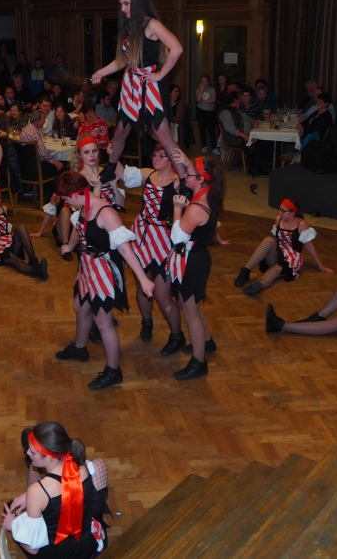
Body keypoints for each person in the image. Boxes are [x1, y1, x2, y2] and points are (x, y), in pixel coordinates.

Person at [53, 171, 154, 390]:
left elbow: (125, 249)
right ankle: (80, 349)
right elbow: (80, 228)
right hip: (88, 267)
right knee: (80, 306)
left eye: (67, 197)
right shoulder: (83, 206)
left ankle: (113, 371)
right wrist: (70, 246)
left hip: (105, 270)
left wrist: (143, 280)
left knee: (103, 322)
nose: (66, 202)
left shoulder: (106, 213)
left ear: (78, 193)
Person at [92, 0, 187, 191]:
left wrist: (160, 74)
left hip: (149, 86)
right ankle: (110, 168)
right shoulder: (130, 27)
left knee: (164, 137)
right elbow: (123, 60)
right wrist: (100, 72)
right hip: (131, 86)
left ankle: (185, 180)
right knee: (120, 131)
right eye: (121, 4)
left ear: (137, 2)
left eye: (126, 4)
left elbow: (177, 48)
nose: (123, 8)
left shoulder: (152, 24)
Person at [2, 421, 109, 558]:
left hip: (60, 554)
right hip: (89, 544)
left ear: (49, 457)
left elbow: (33, 549)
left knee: (22, 522)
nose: (28, 452)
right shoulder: (81, 467)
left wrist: (13, 525)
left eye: (32, 452)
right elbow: (65, 489)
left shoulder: (37, 491)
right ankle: (34, 464)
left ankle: (31, 466)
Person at [124, 142, 193, 354]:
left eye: (162, 155)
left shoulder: (178, 181)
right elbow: (119, 172)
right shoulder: (148, 174)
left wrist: (187, 162)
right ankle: (147, 322)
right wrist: (112, 149)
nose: (156, 158)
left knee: (162, 294)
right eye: (155, 155)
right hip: (142, 235)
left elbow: (197, 181)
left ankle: (177, 335)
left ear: (172, 159)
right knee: (141, 286)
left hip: (164, 238)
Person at [164, 152, 223, 380]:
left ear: (200, 179)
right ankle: (206, 342)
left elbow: (177, 237)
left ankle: (199, 363)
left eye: (189, 173)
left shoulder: (197, 206)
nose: (185, 176)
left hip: (192, 261)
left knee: (191, 312)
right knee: (191, 306)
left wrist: (177, 208)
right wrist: (187, 160)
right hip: (196, 258)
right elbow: (201, 171)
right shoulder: (210, 192)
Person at [234, 198, 332, 296]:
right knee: (268, 240)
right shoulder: (278, 219)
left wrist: (320, 265)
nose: (280, 213)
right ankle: (245, 271)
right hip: (279, 253)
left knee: (274, 271)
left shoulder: (301, 224)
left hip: (291, 259)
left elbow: (309, 246)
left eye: (283, 211)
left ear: (292, 213)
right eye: (280, 209)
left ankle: (259, 284)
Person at [195, 75, 218, 155]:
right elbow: (198, 99)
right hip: (201, 111)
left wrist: (203, 101)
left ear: (208, 81)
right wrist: (201, 89)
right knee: (202, 129)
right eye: (202, 81)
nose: (203, 82)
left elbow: (213, 99)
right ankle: (204, 146)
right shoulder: (198, 89)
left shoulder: (212, 89)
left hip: (210, 111)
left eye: (205, 81)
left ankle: (214, 147)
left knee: (211, 129)